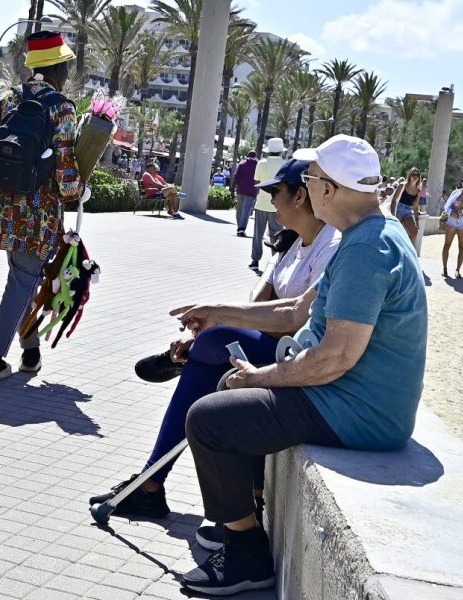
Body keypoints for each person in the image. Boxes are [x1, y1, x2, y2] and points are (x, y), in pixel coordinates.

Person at [173, 135, 427, 595]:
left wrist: (262, 376)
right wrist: (219, 312)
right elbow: (295, 312)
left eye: (309, 179)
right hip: (353, 398)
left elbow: (335, 357)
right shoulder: (369, 234)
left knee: (209, 420)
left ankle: (246, 553)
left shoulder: (367, 250)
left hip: (357, 410)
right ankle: (246, 518)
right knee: (230, 389)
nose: (305, 188)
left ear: (328, 189)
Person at [89, 160, 340, 545]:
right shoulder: (289, 244)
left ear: (300, 196)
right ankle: (153, 481)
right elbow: (256, 307)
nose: (270, 201)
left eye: (276, 192)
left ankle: (152, 482)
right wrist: (220, 327)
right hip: (268, 344)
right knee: (209, 352)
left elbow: (297, 322)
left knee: (211, 347)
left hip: (295, 356)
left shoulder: (331, 248)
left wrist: (219, 324)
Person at [0, 30, 84, 380]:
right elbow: (65, 169)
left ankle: (31, 353)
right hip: (40, 213)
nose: (67, 72)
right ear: (55, 68)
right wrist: (78, 191)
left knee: (24, 278)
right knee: (23, 281)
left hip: (6, 209)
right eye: (65, 65)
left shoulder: (4, 100)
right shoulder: (61, 107)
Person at [250, 138, 285, 270]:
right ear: (281, 151)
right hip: (278, 205)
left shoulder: (261, 163)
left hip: (261, 203)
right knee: (276, 235)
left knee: (258, 234)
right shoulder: (285, 164)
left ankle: (255, 261)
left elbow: (257, 181)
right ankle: (276, 262)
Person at [389, 166, 422, 240]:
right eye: (413, 174)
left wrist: (417, 220)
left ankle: (406, 245)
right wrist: (393, 214)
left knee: (414, 232)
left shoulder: (419, 190)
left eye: (417, 175)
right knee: (397, 232)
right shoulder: (403, 185)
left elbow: (415, 206)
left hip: (407, 211)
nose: (415, 176)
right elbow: (394, 200)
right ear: (409, 175)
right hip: (398, 208)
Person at [232, 151, 258, 237]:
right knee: (247, 209)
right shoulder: (258, 164)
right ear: (255, 156)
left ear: (247, 156)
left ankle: (239, 227)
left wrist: (232, 188)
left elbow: (236, 176)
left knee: (239, 208)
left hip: (240, 189)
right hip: (251, 189)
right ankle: (242, 228)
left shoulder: (242, 163)